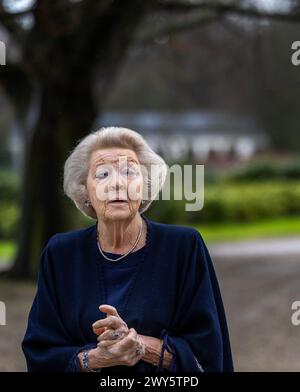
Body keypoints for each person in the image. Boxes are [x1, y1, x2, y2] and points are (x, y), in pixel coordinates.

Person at [22, 126, 234, 372]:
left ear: (144, 187)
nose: (117, 184)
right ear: (85, 191)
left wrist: (141, 346)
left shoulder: (183, 247)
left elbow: (208, 353)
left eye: (129, 172)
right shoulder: (61, 254)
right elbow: (40, 352)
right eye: (103, 174)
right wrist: (95, 358)